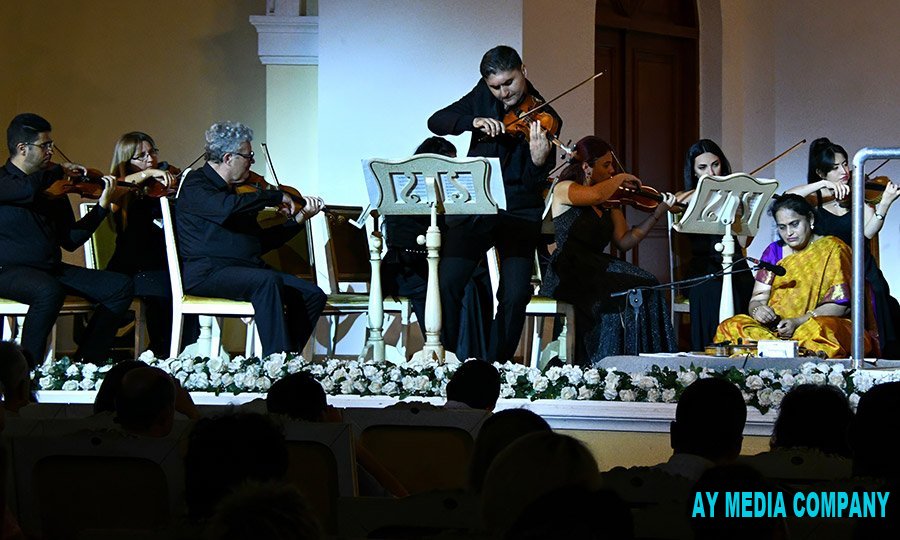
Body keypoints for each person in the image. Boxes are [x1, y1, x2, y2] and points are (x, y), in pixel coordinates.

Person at [428, 45, 561, 362]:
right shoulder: (482, 96)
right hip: (479, 205)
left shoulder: (547, 118)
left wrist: (538, 161)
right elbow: (437, 121)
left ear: (523, 71)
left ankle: (497, 364)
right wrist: (472, 121)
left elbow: (533, 184)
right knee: (448, 281)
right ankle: (447, 359)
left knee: (515, 295)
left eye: (509, 82)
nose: (504, 93)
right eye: (496, 87)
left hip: (518, 212)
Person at [175, 121, 327, 358]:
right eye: (248, 156)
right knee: (266, 281)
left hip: (245, 270)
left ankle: (285, 358)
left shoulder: (239, 192)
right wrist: (273, 196)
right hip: (208, 272)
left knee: (312, 294)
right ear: (228, 158)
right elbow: (225, 208)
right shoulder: (196, 184)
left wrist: (299, 218)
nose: (252, 162)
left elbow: (259, 243)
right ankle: (277, 361)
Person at [0, 113, 134, 366]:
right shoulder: (4, 181)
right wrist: (58, 169)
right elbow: (26, 189)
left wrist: (102, 207)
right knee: (47, 291)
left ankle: (86, 362)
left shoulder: (55, 187)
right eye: (45, 145)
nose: (51, 151)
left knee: (119, 286)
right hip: (8, 271)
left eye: (51, 144)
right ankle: (27, 368)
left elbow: (71, 240)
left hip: (50, 270)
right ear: (22, 148)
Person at [540, 136, 677, 365]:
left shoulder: (609, 202)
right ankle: (602, 363)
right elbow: (595, 195)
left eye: (612, 165)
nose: (612, 170)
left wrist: (657, 214)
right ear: (587, 167)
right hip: (570, 269)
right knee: (615, 298)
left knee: (649, 284)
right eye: (606, 165)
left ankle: (645, 363)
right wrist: (622, 177)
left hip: (598, 265)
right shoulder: (564, 189)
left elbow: (624, 241)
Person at [714, 194, 878, 358]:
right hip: (775, 329)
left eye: (794, 224)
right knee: (731, 325)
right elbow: (758, 297)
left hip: (813, 324)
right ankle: (782, 350)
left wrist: (798, 321)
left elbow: (841, 305)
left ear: (810, 219)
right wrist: (758, 310)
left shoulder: (833, 249)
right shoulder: (774, 252)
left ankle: (777, 351)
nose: (789, 233)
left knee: (821, 330)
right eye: (782, 227)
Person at [785, 137, 900, 358]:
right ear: (821, 173)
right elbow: (787, 197)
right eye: (835, 168)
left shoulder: (857, 194)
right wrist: (822, 185)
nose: (844, 171)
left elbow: (868, 232)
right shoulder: (815, 200)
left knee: (876, 289)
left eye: (845, 164)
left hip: (859, 264)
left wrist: (884, 204)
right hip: (831, 271)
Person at [380, 136, 493, 357]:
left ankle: (473, 355)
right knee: (455, 287)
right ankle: (448, 351)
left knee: (476, 281)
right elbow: (402, 244)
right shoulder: (407, 193)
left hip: (432, 266)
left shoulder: (449, 200)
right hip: (408, 270)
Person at [106, 131, 198, 357]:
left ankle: (174, 352)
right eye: (141, 156)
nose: (150, 159)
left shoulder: (161, 188)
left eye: (152, 152)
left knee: (189, 285)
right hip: (133, 268)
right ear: (126, 161)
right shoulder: (120, 191)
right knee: (165, 291)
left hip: (165, 266)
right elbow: (113, 193)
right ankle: (160, 354)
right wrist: (147, 173)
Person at [679, 139, 755, 350]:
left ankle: (742, 351)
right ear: (694, 172)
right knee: (712, 291)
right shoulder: (688, 197)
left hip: (736, 264)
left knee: (746, 290)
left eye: (715, 165)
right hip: (704, 268)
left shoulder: (735, 196)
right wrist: (706, 192)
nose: (711, 172)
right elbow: (677, 202)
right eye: (702, 168)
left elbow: (744, 242)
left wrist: (739, 216)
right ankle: (711, 349)